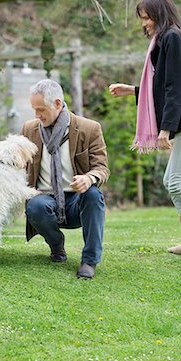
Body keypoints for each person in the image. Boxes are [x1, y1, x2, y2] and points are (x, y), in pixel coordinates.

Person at [109, 0, 181, 258]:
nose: (144, 24)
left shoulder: (173, 38)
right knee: (172, 180)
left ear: (158, 15)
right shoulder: (167, 39)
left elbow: (176, 88)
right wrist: (132, 90)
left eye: (147, 17)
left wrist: (166, 128)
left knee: (176, 182)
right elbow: (164, 86)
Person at [21, 79, 109, 279]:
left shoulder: (89, 128)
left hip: (77, 200)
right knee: (35, 205)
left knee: (93, 195)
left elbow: (102, 168)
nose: (37, 115)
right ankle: (56, 245)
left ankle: (89, 260)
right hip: (45, 200)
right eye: (34, 109)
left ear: (58, 104)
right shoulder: (29, 129)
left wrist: (89, 177)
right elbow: (16, 161)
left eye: (41, 109)